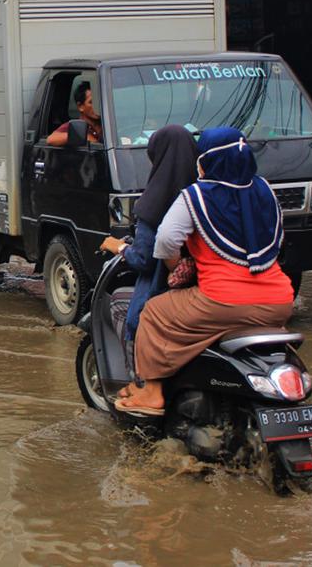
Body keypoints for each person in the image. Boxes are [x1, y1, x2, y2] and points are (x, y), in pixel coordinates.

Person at [116, 127, 294, 416]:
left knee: (152, 313)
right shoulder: (265, 190)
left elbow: (164, 241)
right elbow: (277, 240)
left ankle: (150, 393)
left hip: (221, 302)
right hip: (279, 303)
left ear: (208, 160)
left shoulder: (196, 195)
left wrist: (177, 267)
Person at [99, 125, 198, 356]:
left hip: (160, 292)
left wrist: (119, 246)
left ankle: (137, 379)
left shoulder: (154, 203)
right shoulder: (204, 196)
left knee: (129, 316)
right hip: (204, 294)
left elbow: (143, 259)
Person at [46, 81, 102, 146]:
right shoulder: (75, 126)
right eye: (91, 102)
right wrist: (83, 137)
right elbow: (51, 139)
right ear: (80, 106)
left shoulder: (109, 125)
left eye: (99, 101)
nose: (97, 105)